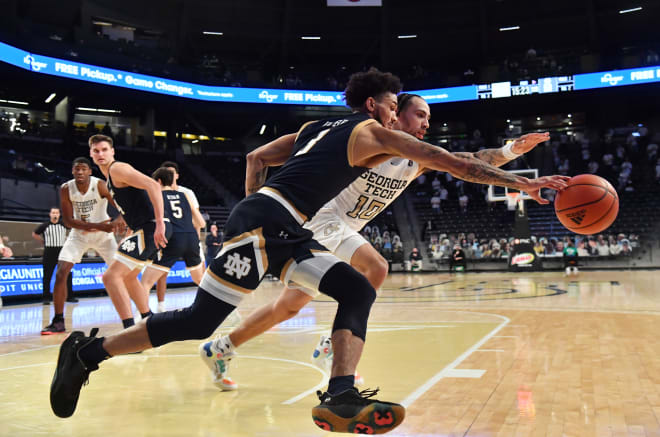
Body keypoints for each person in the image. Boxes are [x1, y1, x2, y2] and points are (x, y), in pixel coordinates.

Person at [50, 69, 568, 434]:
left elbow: (258, 156)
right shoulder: (372, 131)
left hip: (283, 227)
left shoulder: (317, 127)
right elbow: (449, 161)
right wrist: (523, 184)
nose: (397, 111)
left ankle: (340, 393)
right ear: (375, 106)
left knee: (357, 287)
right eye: (394, 104)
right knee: (198, 322)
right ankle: (86, 353)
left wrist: (256, 199)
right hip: (268, 224)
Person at [200, 93, 554, 391]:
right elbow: (262, 155)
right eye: (420, 115)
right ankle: (333, 349)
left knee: (289, 307)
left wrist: (510, 149)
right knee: (376, 267)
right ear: (395, 115)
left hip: (337, 228)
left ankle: (221, 347)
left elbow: (473, 161)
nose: (427, 123)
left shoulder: (418, 158)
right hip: (319, 218)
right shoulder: (367, 138)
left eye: (429, 117)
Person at [89, 134, 171, 328]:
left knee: (111, 277)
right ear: (91, 154)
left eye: (104, 150)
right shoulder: (109, 178)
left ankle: (129, 330)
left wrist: (160, 222)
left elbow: (153, 185)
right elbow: (131, 208)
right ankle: (148, 322)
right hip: (144, 228)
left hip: (152, 226)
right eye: (96, 151)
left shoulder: (118, 168)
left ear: (112, 152)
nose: (100, 154)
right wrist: (128, 235)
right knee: (128, 276)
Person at [41, 157, 124, 335]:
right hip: (79, 235)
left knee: (123, 275)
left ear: (89, 171)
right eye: (76, 169)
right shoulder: (66, 188)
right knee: (61, 272)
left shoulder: (100, 185)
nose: (80, 172)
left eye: (83, 169)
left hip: (104, 237)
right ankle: (58, 321)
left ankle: (136, 318)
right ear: (72, 171)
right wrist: (99, 225)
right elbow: (69, 222)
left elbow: (121, 206)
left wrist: (118, 220)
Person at [139, 167, 205, 306]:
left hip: (173, 239)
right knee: (200, 281)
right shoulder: (184, 195)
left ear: (158, 181)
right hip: (192, 238)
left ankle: (143, 318)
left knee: (145, 282)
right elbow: (201, 222)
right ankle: (217, 306)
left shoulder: (157, 196)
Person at [32, 207, 72, 305]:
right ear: (50, 214)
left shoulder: (63, 224)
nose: (55, 214)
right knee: (47, 276)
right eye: (53, 213)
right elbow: (34, 234)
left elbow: (73, 230)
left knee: (66, 274)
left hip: (62, 251)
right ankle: (46, 298)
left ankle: (69, 296)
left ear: (59, 215)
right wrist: (43, 241)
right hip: (49, 252)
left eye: (56, 213)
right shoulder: (45, 225)